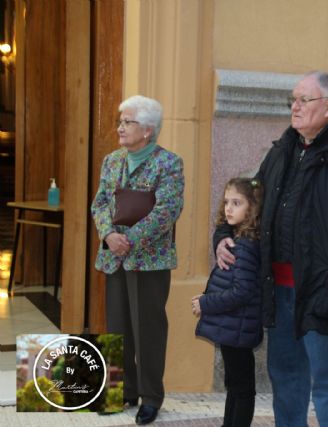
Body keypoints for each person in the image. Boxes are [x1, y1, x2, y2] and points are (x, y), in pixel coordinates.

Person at [215, 71, 328, 427]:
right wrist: (222, 235)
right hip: (279, 291)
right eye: (292, 99)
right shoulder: (281, 152)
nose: (294, 106)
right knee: (286, 377)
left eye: (303, 100)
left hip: (324, 289)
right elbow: (252, 203)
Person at [91, 95, 184, 425]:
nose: (119, 127)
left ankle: (150, 397)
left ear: (147, 130)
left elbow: (166, 212)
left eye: (126, 122)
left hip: (149, 261)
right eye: (120, 120)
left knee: (148, 332)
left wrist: (129, 239)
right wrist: (108, 234)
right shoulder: (111, 161)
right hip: (113, 258)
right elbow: (100, 202)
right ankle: (123, 390)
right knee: (117, 328)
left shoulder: (169, 163)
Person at [192, 177, 263, 427]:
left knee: (242, 389)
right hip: (233, 328)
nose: (229, 208)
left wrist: (206, 303)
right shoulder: (236, 238)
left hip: (239, 328)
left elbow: (242, 291)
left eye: (237, 203)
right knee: (234, 385)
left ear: (252, 208)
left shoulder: (245, 245)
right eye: (226, 202)